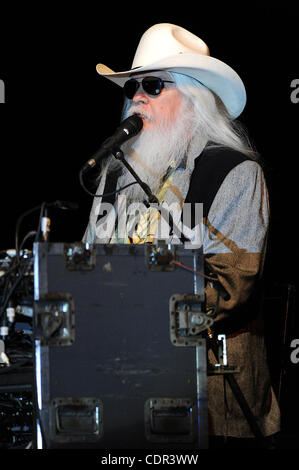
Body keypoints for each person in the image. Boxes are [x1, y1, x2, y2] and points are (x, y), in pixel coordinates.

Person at [83, 23, 280, 447]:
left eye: (153, 85)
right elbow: (86, 267)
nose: (137, 95)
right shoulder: (113, 176)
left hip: (215, 401)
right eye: (131, 86)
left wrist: (129, 306)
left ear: (193, 100)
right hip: (123, 392)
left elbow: (231, 288)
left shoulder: (235, 173)